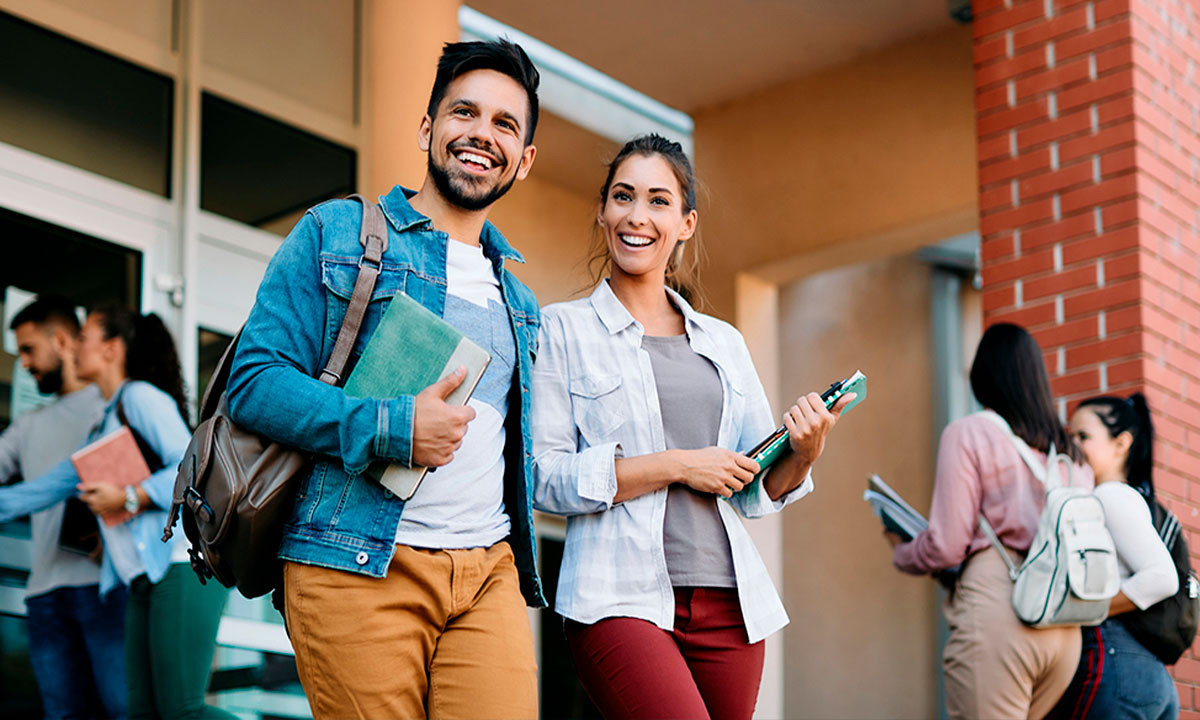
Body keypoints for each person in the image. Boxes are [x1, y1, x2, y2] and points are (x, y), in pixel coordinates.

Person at [225, 39, 544, 719]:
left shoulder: (521, 303)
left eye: (505, 125)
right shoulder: (338, 232)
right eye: (465, 113)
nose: (482, 134)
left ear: (524, 158)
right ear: (428, 127)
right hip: (355, 564)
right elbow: (252, 382)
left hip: (487, 572)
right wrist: (390, 425)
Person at [530, 134, 852, 720]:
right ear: (602, 212)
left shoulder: (723, 342)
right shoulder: (561, 330)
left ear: (685, 223)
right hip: (617, 597)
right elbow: (542, 477)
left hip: (731, 605)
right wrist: (678, 465)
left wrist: (804, 451)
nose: (637, 216)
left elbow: (754, 487)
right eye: (623, 197)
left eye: (658, 201)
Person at [0, 304, 233, 720]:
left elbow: (190, 466)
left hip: (181, 567)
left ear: (110, 349)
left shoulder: (139, 397)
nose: (73, 349)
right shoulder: (102, 422)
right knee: (142, 714)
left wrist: (129, 497)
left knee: (182, 710)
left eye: (84, 339)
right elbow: (38, 492)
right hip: (142, 579)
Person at [886, 323, 1095, 719]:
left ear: (982, 377)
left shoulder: (969, 433)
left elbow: (947, 544)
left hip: (1001, 605)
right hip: (1066, 627)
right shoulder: (1070, 454)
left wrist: (903, 553)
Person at [1, 296, 120, 719]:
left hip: (104, 590)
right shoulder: (26, 426)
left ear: (64, 340)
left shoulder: (110, 408)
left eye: (30, 350)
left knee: (121, 710)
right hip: (44, 596)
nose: (25, 364)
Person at [1050, 393, 1179, 719]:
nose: (1072, 444)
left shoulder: (1107, 496)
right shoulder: (1126, 498)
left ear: (1121, 443)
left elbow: (1162, 577)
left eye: (1083, 436)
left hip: (1115, 667)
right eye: (1070, 436)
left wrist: (1089, 608)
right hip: (1149, 675)